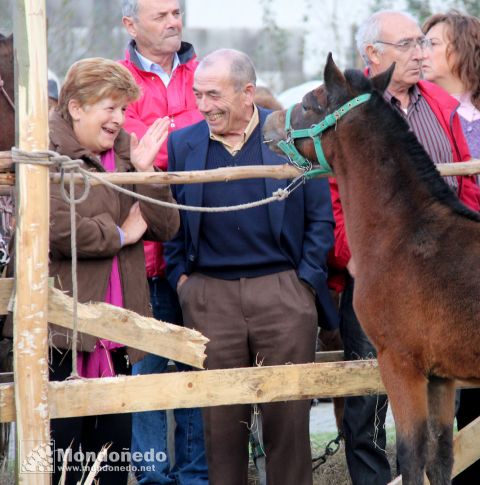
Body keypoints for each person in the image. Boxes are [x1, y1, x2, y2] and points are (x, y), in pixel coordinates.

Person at [164, 48, 336, 485]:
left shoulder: (290, 139)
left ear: (247, 93)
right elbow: (172, 225)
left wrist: (304, 287)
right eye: (198, 94)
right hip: (209, 297)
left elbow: (320, 219)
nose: (203, 105)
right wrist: (183, 283)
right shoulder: (183, 143)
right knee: (220, 432)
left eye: (213, 95)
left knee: (289, 428)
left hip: (282, 294)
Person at [3, 57, 178, 485]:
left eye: (123, 108)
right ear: (77, 107)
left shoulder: (127, 150)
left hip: (119, 330)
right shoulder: (44, 149)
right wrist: (121, 234)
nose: (118, 118)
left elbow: (167, 226)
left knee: (114, 457)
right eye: (109, 107)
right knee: (62, 457)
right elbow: (58, 229)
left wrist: (145, 172)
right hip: (63, 331)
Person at [328, 10, 480, 485]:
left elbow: (467, 180)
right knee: (370, 401)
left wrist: (469, 238)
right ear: (372, 56)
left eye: (422, 44)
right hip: (378, 277)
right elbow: (337, 199)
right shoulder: (348, 116)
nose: (421, 54)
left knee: (446, 389)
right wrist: (353, 256)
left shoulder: (441, 104)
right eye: (408, 46)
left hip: (447, 273)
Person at [421, 10, 480, 484]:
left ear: (461, 48)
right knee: (469, 376)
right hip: (456, 257)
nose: (423, 51)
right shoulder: (425, 106)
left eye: (433, 42)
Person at [119, 1, 208, 483]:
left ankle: (196, 476)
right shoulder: (118, 82)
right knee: (148, 375)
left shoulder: (208, 73)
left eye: (177, 11)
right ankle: (153, 478)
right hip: (145, 255)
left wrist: (157, 155)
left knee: (196, 370)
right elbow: (132, 153)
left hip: (203, 253)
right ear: (130, 25)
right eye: (160, 15)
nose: (173, 21)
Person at [422, 10, 480, 158]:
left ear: (465, 48)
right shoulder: (420, 110)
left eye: (433, 44)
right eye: (423, 45)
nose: (422, 54)